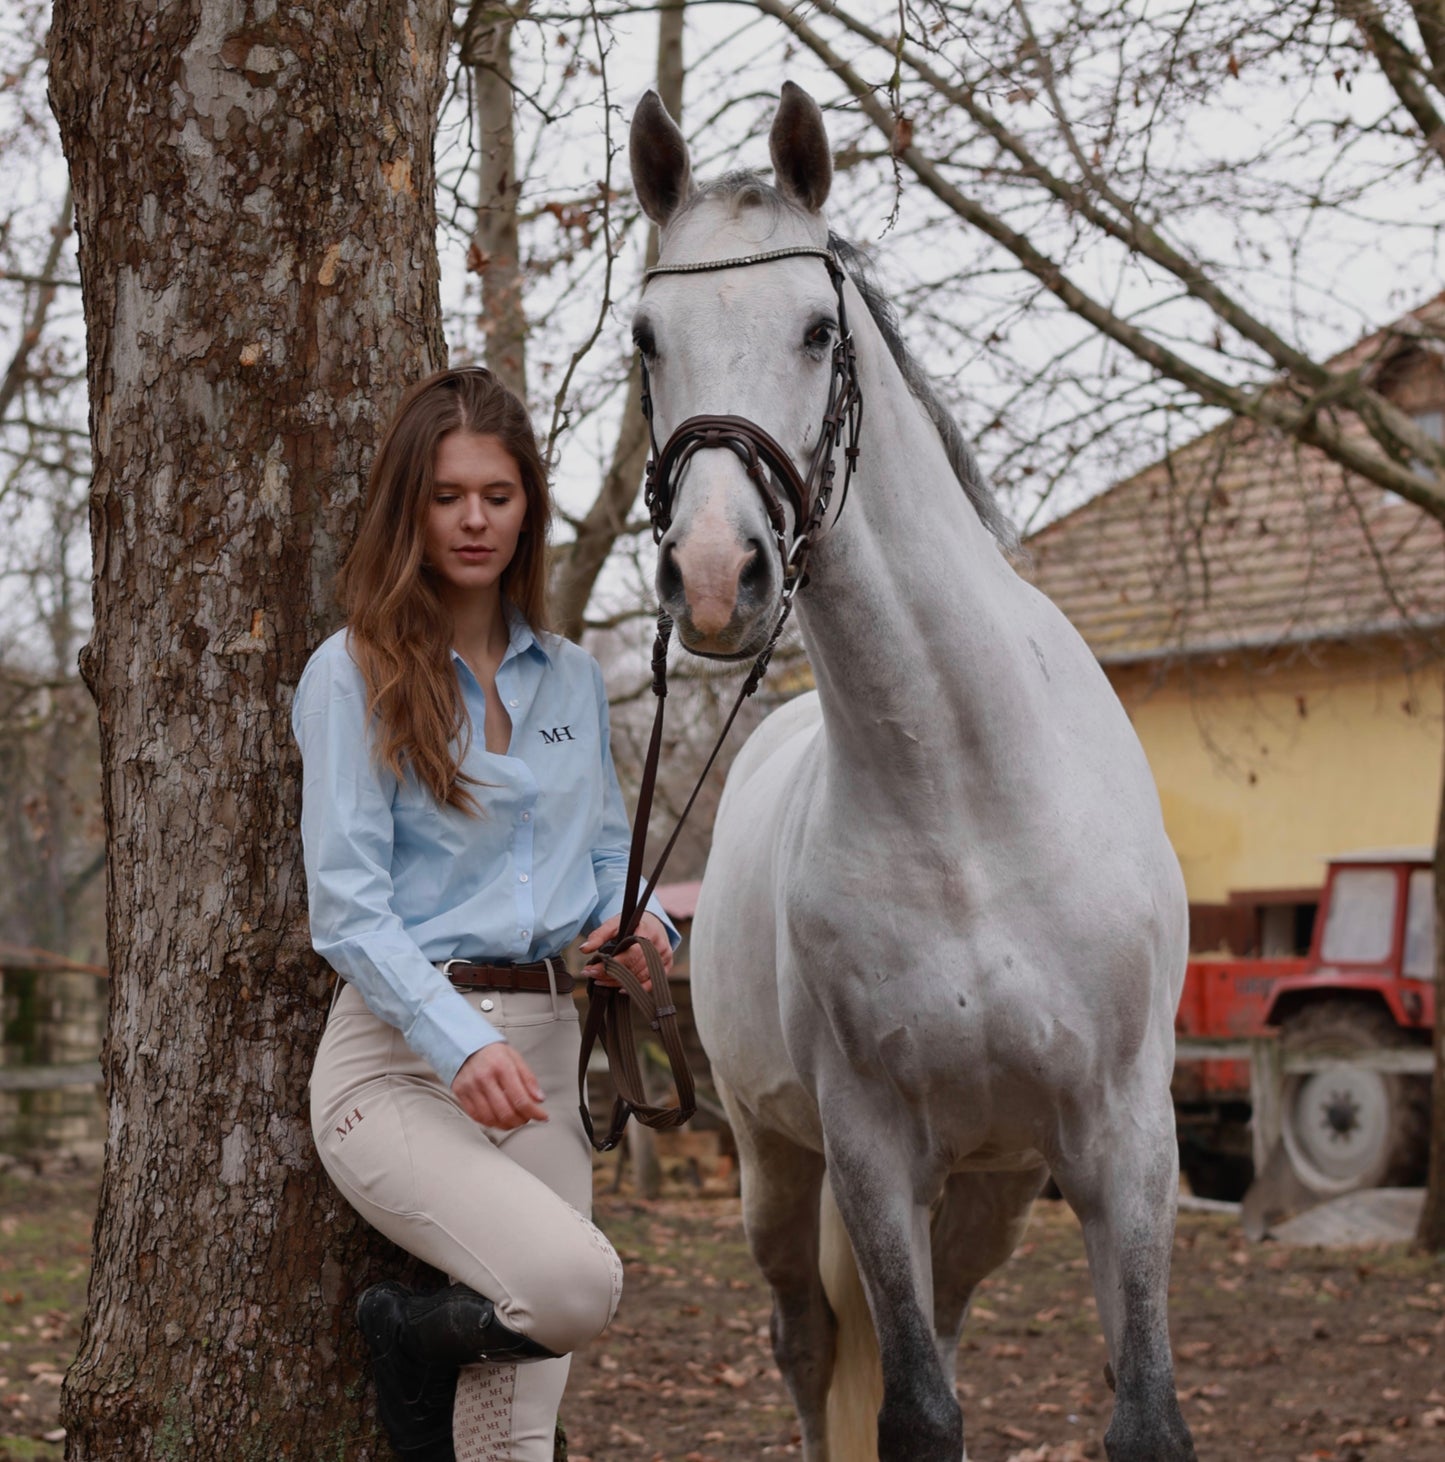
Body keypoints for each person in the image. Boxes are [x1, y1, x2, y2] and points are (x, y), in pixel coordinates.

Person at [293, 367, 676, 1462]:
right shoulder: (353, 671)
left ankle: (427, 1364)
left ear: (527, 510)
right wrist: (458, 1042)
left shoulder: (569, 679)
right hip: (399, 1063)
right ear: (408, 508)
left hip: (544, 1054)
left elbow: (603, 853)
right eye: (447, 495)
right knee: (570, 1288)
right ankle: (404, 1340)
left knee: (513, 1437)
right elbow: (348, 909)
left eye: (497, 496)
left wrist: (641, 922)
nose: (473, 520)